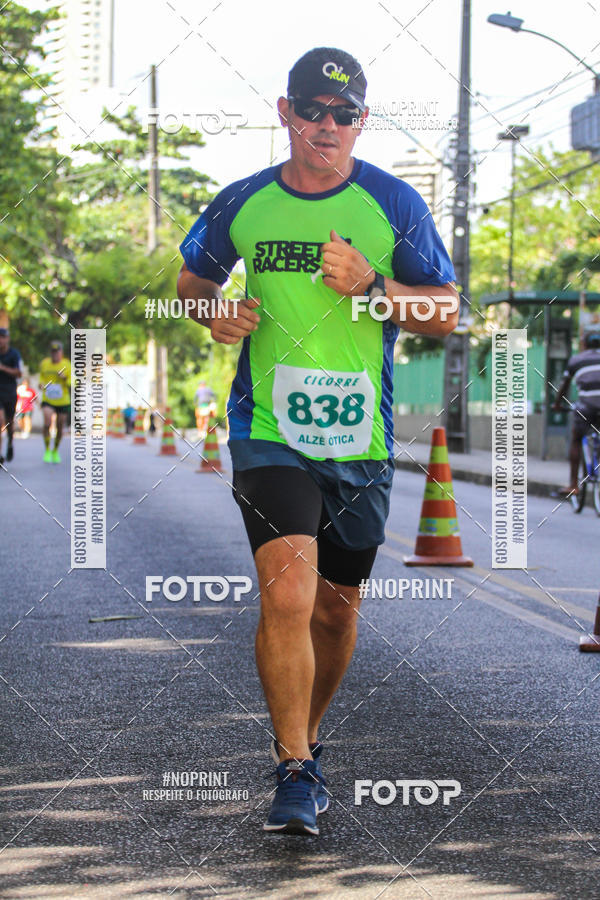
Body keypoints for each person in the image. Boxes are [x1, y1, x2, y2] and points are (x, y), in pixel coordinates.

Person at [177, 47, 458, 836]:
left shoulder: (395, 205)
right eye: (313, 110)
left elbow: (446, 311)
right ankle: (295, 766)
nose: (327, 126)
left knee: (336, 611)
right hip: (268, 432)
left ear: (362, 121)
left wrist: (373, 287)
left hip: (360, 440)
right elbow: (193, 283)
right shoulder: (243, 202)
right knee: (290, 594)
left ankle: (306, 734)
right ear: (286, 113)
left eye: (345, 113)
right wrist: (211, 312)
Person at [553, 330, 600, 495]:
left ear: (584, 344)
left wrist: (557, 404)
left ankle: (573, 485)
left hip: (586, 407)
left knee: (576, 438)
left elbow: (564, 385)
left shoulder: (577, 360)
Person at [39, 340, 71, 463]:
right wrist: (41, 384)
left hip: (63, 400)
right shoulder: (45, 363)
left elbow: (73, 381)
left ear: (61, 352)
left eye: (57, 352)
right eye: (53, 352)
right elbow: (42, 377)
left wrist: (65, 377)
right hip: (48, 399)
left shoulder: (67, 364)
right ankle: (47, 449)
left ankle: (55, 450)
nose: (55, 354)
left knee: (59, 425)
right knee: (47, 422)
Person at [0, 327, 22, 464]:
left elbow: (19, 373)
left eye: (3, 337)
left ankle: (10, 443)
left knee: (9, 422)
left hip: (10, 392)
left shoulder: (14, 354)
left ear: (7, 338)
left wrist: (3, 368)